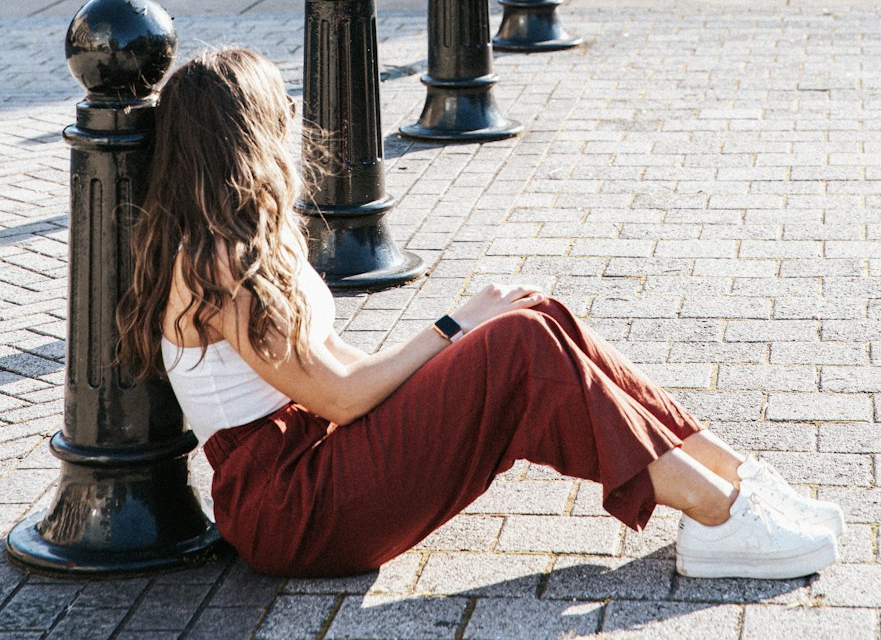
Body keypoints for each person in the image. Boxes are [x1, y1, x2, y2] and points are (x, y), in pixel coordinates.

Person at [118, 47, 844, 582]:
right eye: (281, 110)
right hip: (294, 509)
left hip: (319, 463)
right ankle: (715, 514)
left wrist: (467, 327)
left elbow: (337, 372)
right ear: (248, 135)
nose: (293, 121)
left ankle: (736, 478)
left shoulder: (237, 242)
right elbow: (337, 395)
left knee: (535, 313)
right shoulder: (213, 262)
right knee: (517, 342)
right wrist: (453, 327)